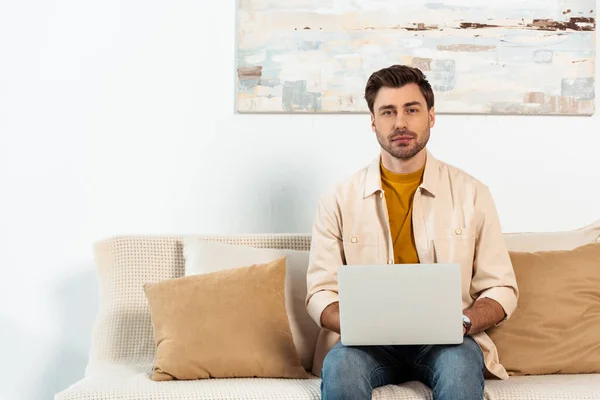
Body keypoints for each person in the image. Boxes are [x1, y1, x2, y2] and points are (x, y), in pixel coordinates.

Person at [305, 65, 519, 400]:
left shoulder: (472, 193)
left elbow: (501, 287)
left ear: (431, 116)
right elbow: (320, 293)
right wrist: (358, 325)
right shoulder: (338, 198)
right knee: (342, 368)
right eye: (388, 112)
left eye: (412, 110)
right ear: (373, 121)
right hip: (365, 345)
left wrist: (462, 323)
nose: (400, 123)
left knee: (461, 368)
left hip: (448, 342)